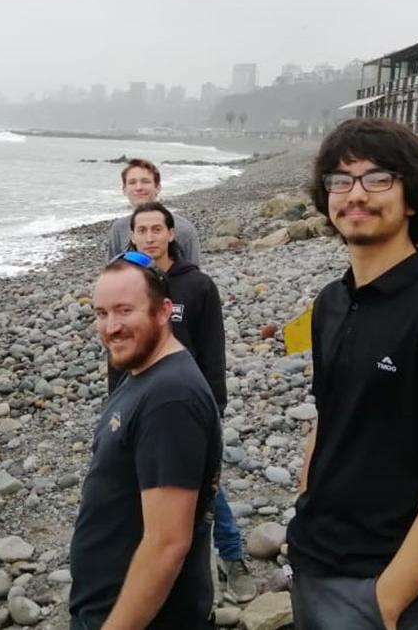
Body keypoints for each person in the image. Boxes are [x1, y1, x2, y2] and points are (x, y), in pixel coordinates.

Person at [286, 117, 418, 630]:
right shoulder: (332, 302)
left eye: (377, 178)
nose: (355, 194)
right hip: (315, 558)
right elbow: (331, 413)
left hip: (387, 584)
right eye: (340, 181)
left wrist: (387, 600)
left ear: (412, 197)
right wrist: (304, 502)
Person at [112, 201, 257, 603]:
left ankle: (230, 556)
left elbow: (214, 351)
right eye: (142, 230)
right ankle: (147, 568)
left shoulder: (197, 286)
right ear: (133, 236)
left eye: (157, 229)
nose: (150, 237)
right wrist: (114, 403)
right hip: (138, 401)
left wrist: (215, 406)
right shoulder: (131, 284)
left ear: (172, 234)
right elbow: (118, 346)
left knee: (205, 486)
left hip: (189, 404)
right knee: (142, 487)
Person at [69, 252, 222, 630]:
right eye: (101, 313)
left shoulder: (170, 399)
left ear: (162, 311)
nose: (110, 327)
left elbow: (167, 544)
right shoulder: (143, 374)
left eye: (124, 311)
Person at [107, 158, 202, 265]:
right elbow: (114, 271)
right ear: (124, 190)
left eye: (145, 181)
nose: (139, 187)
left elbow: (194, 274)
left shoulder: (183, 229)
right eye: (132, 182)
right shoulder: (119, 228)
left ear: (158, 187)